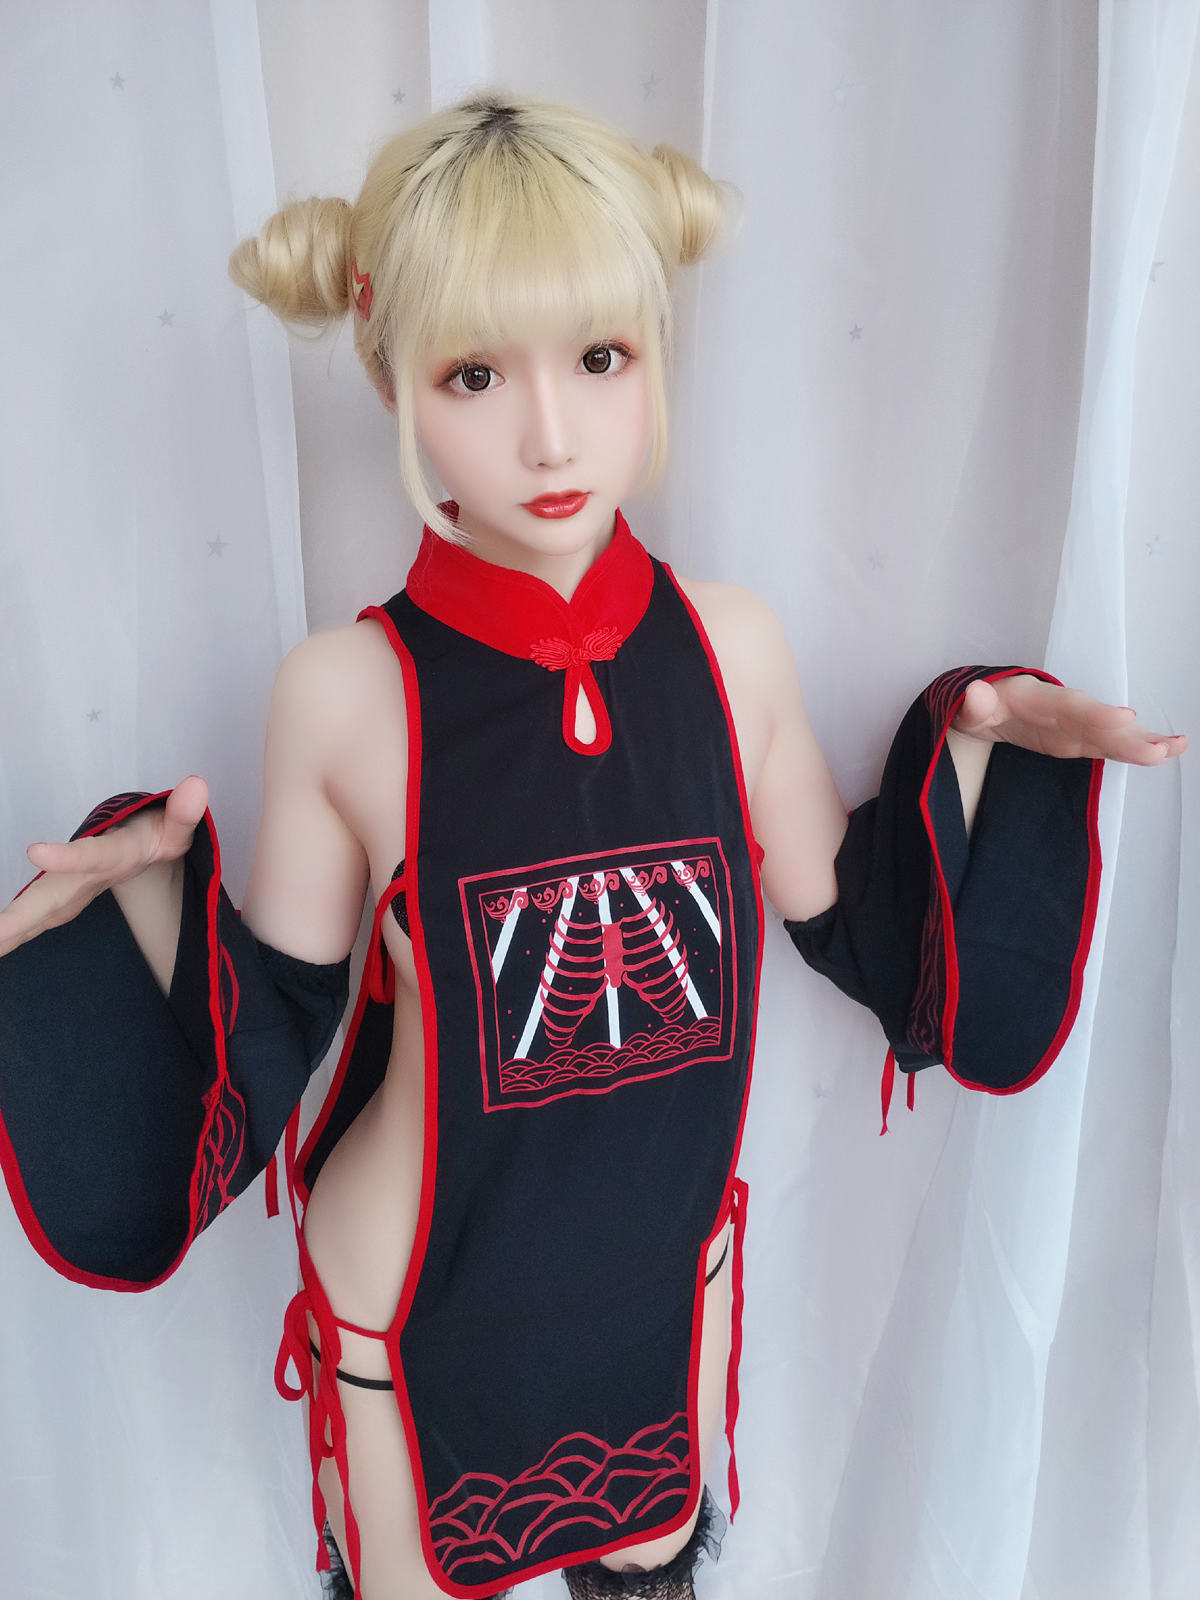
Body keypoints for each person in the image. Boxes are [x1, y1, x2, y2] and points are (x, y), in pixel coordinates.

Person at [0, 95, 1185, 1600]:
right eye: (475, 373)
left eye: (601, 358)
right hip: (415, 1294)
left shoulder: (729, 649)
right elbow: (281, 1012)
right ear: (388, 376)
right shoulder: (346, 692)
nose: (551, 434)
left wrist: (984, 753)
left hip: (653, 1291)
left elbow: (853, 918)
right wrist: (136, 910)